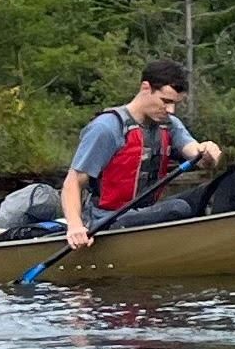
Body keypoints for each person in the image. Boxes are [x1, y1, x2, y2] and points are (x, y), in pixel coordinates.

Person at [62, 61, 224, 252]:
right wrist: (75, 226)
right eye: (166, 101)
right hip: (106, 220)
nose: (171, 110)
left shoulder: (169, 124)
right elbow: (73, 182)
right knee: (178, 209)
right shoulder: (107, 128)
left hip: (143, 213)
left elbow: (196, 153)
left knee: (207, 192)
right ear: (146, 88)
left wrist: (208, 152)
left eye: (175, 104)